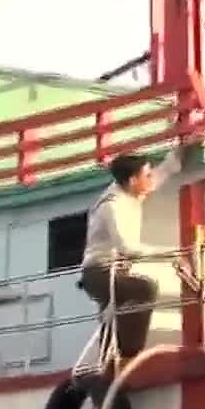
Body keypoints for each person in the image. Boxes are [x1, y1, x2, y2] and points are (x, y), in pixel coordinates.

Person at [80, 149, 181, 360]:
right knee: (144, 288)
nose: (151, 179)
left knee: (115, 312)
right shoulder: (113, 205)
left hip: (114, 270)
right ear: (133, 180)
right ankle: (129, 353)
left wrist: (179, 152)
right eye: (147, 175)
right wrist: (172, 254)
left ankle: (109, 358)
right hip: (98, 272)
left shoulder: (133, 189)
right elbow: (128, 248)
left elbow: (163, 172)